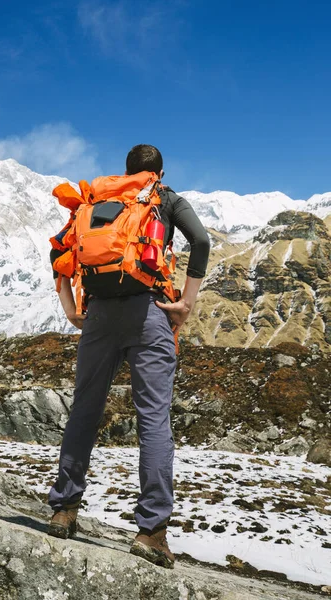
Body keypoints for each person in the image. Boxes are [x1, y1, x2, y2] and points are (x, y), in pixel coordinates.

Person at [47, 144, 210, 569]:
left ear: (126, 171)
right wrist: (186, 305)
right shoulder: (164, 198)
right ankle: (151, 532)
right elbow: (202, 241)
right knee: (153, 418)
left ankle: (64, 511)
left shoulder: (97, 202)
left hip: (99, 315)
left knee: (85, 410)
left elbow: (58, 252)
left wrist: (71, 310)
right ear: (158, 171)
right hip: (150, 312)